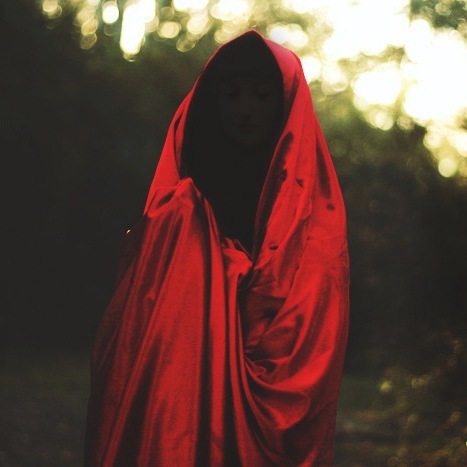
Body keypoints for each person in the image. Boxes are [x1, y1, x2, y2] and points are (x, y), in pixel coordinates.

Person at [84, 29, 350, 466]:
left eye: (261, 95)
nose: (245, 110)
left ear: (285, 101)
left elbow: (317, 301)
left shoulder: (312, 210)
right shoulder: (182, 207)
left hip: (274, 383)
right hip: (183, 400)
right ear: (214, 101)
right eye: (231, 95)